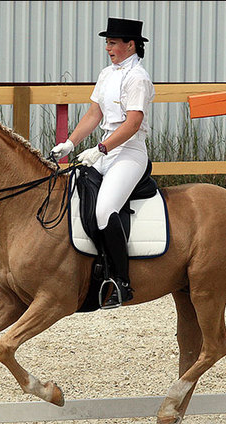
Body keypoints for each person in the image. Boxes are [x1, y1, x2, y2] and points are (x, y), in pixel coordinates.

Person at [50, 17, 155, 309]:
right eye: (107, 43)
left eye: (112, 42)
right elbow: (93, 115)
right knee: (73, 196)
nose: (108, 47)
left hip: (129, 153)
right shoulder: (107, 73)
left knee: (105, 209)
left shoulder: (138, 78)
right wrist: (70, 143)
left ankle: (122, 282)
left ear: (130, 45)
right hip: (106, 150)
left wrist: (101, 148)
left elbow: (133, 123)